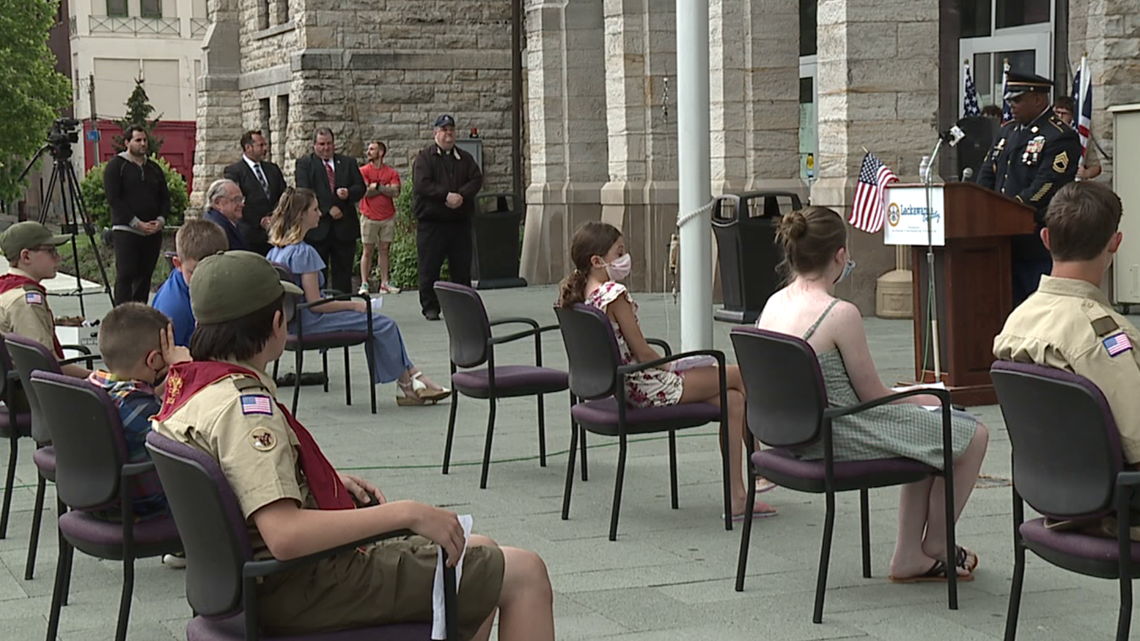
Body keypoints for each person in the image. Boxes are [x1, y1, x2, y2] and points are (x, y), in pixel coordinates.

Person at [150, 250, 555, 639]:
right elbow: (285, 535)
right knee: (523, 572)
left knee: (471, 550)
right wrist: (405, 514)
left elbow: (237, 479)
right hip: (299, 586)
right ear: (277, 322)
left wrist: (310, 480)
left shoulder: (196, 392)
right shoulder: (246, 410)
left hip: (254, 585)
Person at [756, 207, 989, 581]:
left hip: (788, 432)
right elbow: (871, 395)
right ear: (840, 255)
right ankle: (939, 544)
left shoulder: (773, 303)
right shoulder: (839, 313)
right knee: (972, 434)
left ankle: (910, 554)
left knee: (925, 430)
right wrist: (922, 395)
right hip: (833, 433)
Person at [556, 221, 775, 520]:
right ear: (597, 261)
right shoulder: (613, 294)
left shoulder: (582, 295)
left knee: (734, 400)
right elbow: (642, 350)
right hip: (646, 384)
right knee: (741, 374)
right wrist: (674, 365)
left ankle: (738, 497)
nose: (625, 258)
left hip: (627, 386)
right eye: (619, 252)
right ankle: (762, 465)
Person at [995, 182, 1140, 465]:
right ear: (1115, 242)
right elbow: (1136, 439)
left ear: (1046, 238)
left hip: (1046, 482)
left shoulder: (1015, 322)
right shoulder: (1104, 335)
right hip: (1116, 494)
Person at [267, 188, 449, 405]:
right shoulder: (304, 253)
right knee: (383, 324)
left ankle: (410, 381)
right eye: (315, 209)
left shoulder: (276, 251)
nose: (320, 212)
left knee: (379, 324)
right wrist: (352, 306)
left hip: (292, 322)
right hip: (309, 322)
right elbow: (316, 304)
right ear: (302, 215)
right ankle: (410, 384)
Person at [976, 71, 1081, 306]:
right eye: (1010, 100)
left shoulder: (1059, 136)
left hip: (1034, 239)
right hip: (999, 240)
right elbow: (987, 173)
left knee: (1037, 309)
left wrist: (1009, 209)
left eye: (1017, 99)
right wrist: (979, 205)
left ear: (1038, 99)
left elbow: (1047, 185)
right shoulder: (1007, 132)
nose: (1011, 105)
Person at [87, 303, 188, 523]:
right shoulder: (141, 408)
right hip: (147, 506)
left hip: (98, 499)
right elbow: (183, 443)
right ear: (153, 360)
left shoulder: (91, 388)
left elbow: (144, 395)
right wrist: (186, 372)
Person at [413, 115, 482, 321]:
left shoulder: (465, 158)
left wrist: (461, 195)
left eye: (451, 130)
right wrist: (445, 195)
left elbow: (476, 179)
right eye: (444, 130)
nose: (448, 133)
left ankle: (462, 307)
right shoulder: (425, 158)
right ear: (436, 133)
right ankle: (431, 307)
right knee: (429, 268)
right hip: (432, 224)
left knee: (461, 269)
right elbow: (423, 184)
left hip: (459, 223)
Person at [0, 222, 89, 379]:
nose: (58, 258)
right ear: (26, 256)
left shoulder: (7, 288)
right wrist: (99, 377)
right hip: (36, 394)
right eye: (51, 251)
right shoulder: (25, 301)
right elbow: (46, 365)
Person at [104, 124, 170, 305]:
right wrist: (136, 222)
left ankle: (140, 316)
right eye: (138, 140)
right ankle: (121, 317)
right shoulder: (116, 166)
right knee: (125, 275)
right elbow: (113, 198)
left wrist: (160, 221)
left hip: (152, 232)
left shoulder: (154, 169)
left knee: (145, 276)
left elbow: (165, 198)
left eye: (144, 140)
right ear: (127, 142)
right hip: (126, 230)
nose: (142, 144)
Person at [294, 127, 365, 294]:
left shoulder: (347, 163)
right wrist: (327, 209)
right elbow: (304, 190)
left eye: (329, 143)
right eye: (322, 144)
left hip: (344, 228)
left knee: (343, 274)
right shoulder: (305, 164)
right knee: (318, 275)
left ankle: (344, 309)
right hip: (318, 229)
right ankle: (321, 309)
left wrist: (348, 193)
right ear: (314, 145)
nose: (326, 148)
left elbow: (360, 187)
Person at [152, 219, 229, 347]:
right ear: (178, 264)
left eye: (213, 272)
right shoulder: (173, 309)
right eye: (194, 273)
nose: (205, 280)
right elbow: (166, 361)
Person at [224, 130, 287, 255]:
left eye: (265, 145)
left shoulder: (272, 169)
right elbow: (236, 200)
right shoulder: (234, 171)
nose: (265, 149)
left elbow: (283, 195)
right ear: (248, 148)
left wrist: (275, 217)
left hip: (274, 234)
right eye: (261, 145)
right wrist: (260, 221)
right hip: (249, 234)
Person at [358, 140, 402, 295]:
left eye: (372, 149)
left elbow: (395, 192)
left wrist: (376, 186)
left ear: (381, 152)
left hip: (387, 217)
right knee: (367, 250)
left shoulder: (391, 173)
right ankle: (364, 284)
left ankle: (384, 283)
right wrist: (384, 188)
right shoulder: (363, 171)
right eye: (368, 149)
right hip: (369, 216)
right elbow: (365, 192)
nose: (368, 152)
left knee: (385, 250)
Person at [1052, 96, 1103, 181]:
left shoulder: (1081, 137)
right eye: (1057, 113)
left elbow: (1096, 167)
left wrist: (1087, 173)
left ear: (1072, 116)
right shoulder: (1045, 133)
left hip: (1072, 186)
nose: (1060, 116)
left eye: (1064, 113)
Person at [202, 179, 251, 251]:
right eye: (236, 199)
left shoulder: (226, 222)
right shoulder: (216, 229)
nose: (242, 204)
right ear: (217, 203)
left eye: (242, 199)